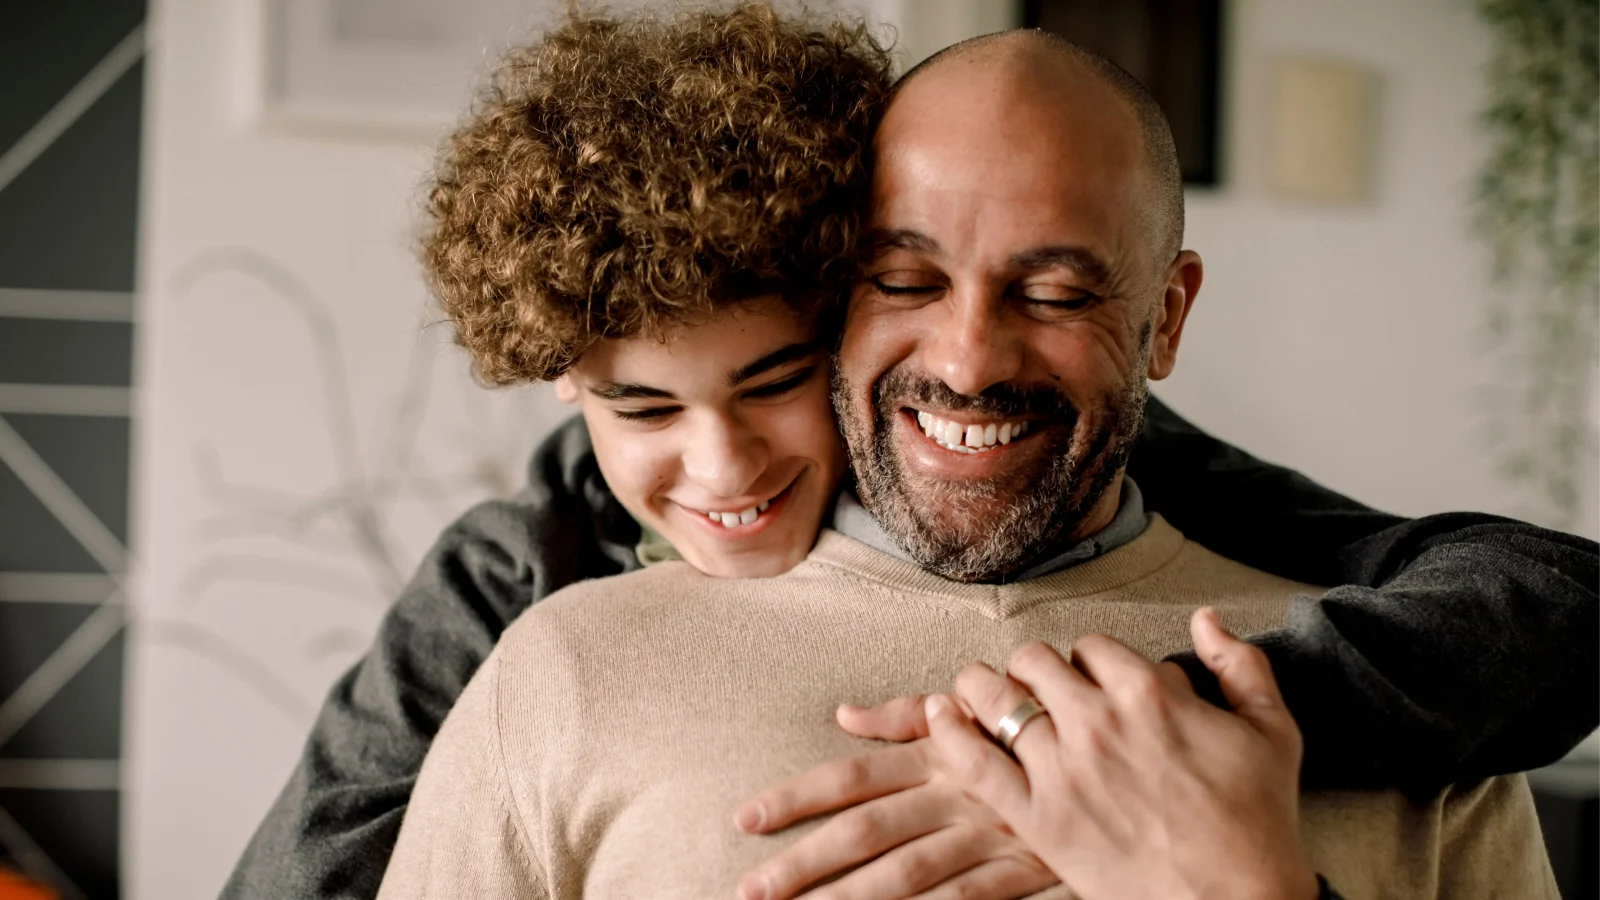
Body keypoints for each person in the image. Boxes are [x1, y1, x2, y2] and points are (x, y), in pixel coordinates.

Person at [221, 6, 1598, 900]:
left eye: (1057, 293)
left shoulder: (1434, 711)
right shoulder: (541, 643)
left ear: (1165, 316)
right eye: (906, 278)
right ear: (842, 290)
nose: (971, 357)